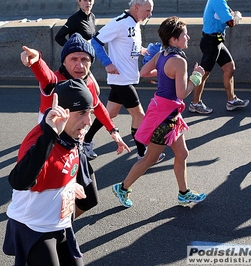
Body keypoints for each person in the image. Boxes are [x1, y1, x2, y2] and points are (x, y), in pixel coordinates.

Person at [20, 33, 130, 218]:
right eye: (73, 59)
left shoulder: (87, 83)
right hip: (51, 149)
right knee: (48, 199)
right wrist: (37, 59)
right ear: (64, 62)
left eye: (84, 59)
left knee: (90, 199)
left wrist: (113, 131)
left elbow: (97, 106)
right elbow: (44, 75)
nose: (79, 65)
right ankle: (51, 229)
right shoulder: (54, 81)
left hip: (75, 146)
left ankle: (62, 227)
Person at [112, 16, 207, 208]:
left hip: (166, 113)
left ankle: (184, 192)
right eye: (184, 35)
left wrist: (166, 74)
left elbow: (144, 72)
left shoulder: (162, 54)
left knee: (182, 153)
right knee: (150, 158)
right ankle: (122, 188)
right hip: (165, 118)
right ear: (173, 39)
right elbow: (182, 93)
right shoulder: (179, 61)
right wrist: (196, 77)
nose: (188, 37)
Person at [3, 79, 94, 266]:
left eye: (90, 113)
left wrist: (69, 186)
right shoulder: (38, 141)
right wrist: (50, 136)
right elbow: (19, 181)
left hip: (60, 224)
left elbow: (62, 168)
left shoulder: (72, 136)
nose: (88, 121)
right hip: (33, 227)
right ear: (62, 114)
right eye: (82, 113)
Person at [85, 0, 165, 163]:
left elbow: (129, 45)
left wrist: (143, 51)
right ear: (136, 7)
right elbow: (95, 42)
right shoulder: (119, 22)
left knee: (110, 113)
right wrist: (107, 63)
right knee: (139, 115)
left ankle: (85, 141)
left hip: (127, 77)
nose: (150, 14)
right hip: (121, 79)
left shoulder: (135, 23)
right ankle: (143, 153)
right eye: (148, 10)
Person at [189, 0, 249, 114]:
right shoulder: (218, 0)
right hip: (211, 42)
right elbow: (231, 22)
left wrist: (234, 15)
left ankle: (231, 101)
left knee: (230, 68)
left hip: (217, 41)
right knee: (202, 73)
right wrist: (237, 16)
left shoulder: (221, 2)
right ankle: (195, 104)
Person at [54, 0, 100, 96]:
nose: (88, 3)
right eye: (85, 0)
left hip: (86, 59)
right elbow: (59, 37)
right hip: (76, 61)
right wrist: (72, 49)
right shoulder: (74, 19)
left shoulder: (92, 17)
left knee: (94, 91)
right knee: (94, 91)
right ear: (79, 2)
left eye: (90, 0)